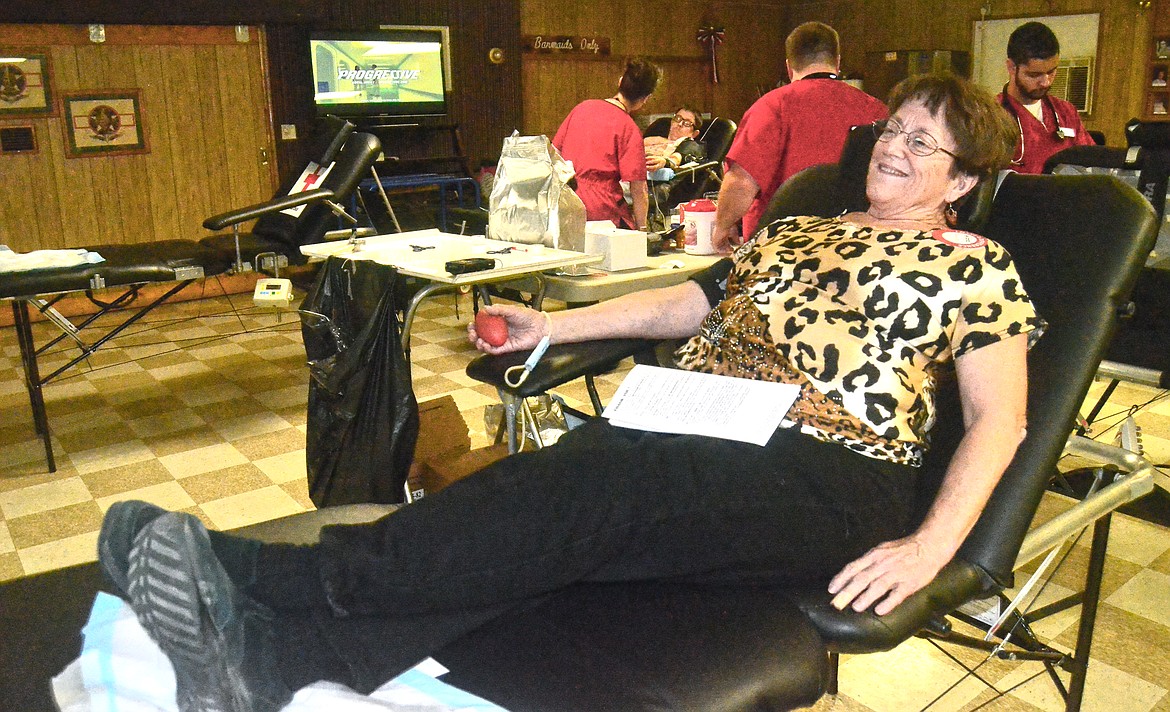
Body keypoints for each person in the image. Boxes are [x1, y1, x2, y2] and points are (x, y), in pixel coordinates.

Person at [97, 73, 1041, 712]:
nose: (897, 150)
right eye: (896, 131)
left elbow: (1002, 418)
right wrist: (553, 327)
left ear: (962, 179)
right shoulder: (797, 229)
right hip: (704, 416)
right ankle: (278, 660)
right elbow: (683, 302)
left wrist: (929, 546)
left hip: (827, 466)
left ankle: (289, 580)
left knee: (598, 498)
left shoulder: (976, 265)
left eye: (928, 145)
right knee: (542, 501)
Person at [712, 22, 887, 250]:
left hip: (783, 246)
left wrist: (722, 226)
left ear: (788, 66)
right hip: (856, 243)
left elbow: (743, 180)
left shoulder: (772, 106)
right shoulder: (876, 109)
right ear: (838, 61)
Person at [552, 57, 661, 229]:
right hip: (602, 208)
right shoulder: (629, 128)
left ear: (619, 82)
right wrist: (642, 230)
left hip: (566, 200)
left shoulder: (582, 108)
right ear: (645, 99)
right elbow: (639, 190)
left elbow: (553, 153)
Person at [997, 21, 1093, 175]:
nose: (1046, 82)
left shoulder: (1066, 112)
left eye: (1051, 72)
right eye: (1034, 75)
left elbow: (1092, 162)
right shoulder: (992, 117)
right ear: (1011, 67)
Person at [644, 105, 706, 172]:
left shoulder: (691, 145)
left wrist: (665, 162)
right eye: (677, 118)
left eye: (687, 123)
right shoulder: (653, 139)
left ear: (694, 134)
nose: (679, 124)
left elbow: (676, 159)